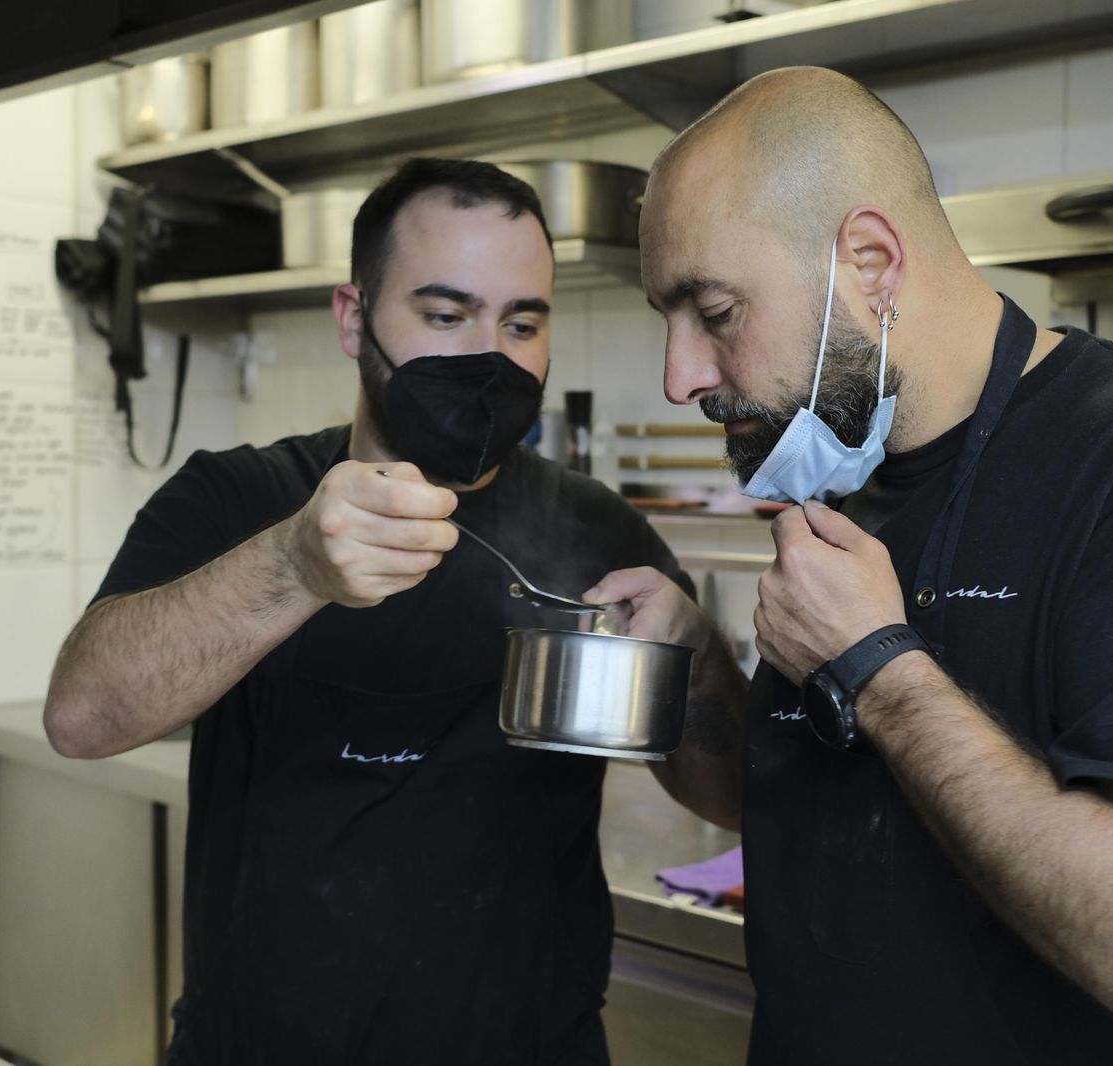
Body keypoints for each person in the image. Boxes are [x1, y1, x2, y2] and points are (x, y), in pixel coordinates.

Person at [634, 67, 1113, 1065]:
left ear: (869, 262)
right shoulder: (840, 459)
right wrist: (695, 666)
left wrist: (879, 667)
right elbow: (800, 810)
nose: (679, 376)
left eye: (713, 310)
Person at [42, 158, 744, 1066]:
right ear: (353, 317)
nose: (488, 354)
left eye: (521, 321)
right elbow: (82, 717)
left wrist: (700, 657)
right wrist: (292, 564)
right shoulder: (237, 498)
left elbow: (731, 802)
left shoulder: (597, 527)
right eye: (446, 315)